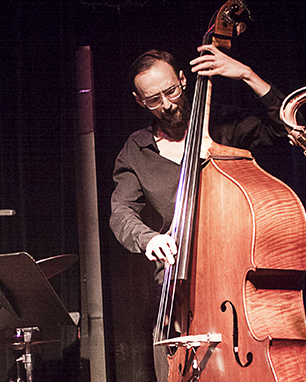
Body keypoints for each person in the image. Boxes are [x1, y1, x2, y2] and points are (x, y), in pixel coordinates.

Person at [109, 45, 289, 381]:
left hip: (237, 282)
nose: (167, 104)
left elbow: (288, 128)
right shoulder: (136, 150)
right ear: (139, 101)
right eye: (153, 100)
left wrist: (248, 75)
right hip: (179, 290)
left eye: (171, 91)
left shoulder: (224, 125)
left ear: (183, 79)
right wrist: (149, 239)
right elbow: (121, 212)